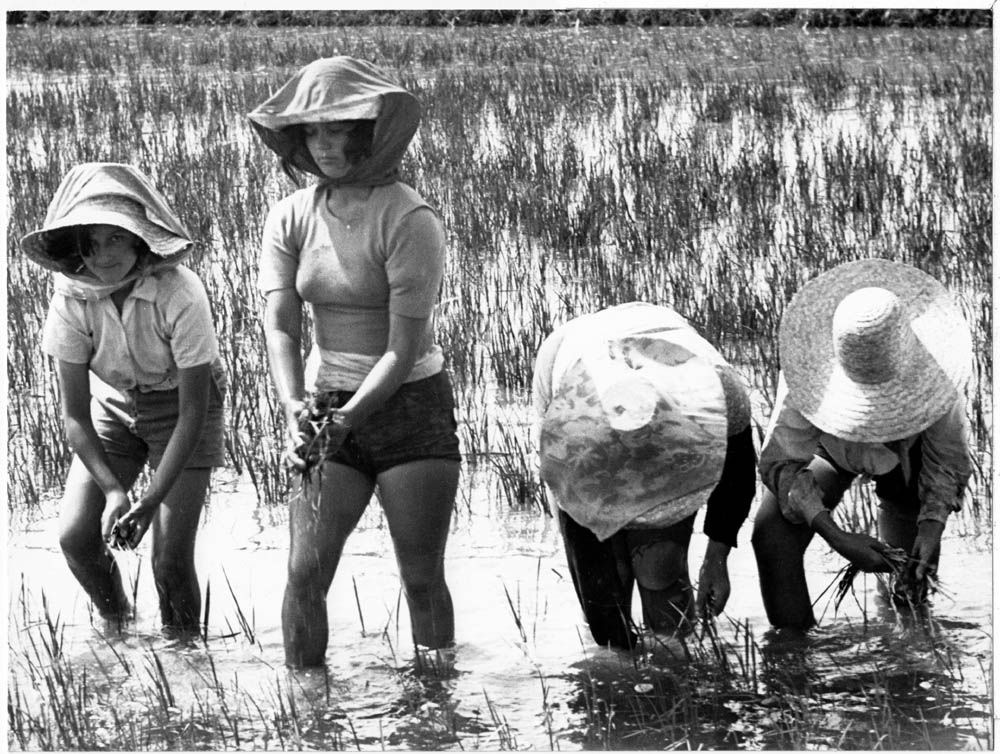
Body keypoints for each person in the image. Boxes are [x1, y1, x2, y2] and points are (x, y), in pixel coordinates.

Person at [248, 56, 461, 668]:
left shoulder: (409, 217)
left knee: (420, 576)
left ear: (368, 132)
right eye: (312, 132)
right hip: (322, 407)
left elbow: (403, 348)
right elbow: (282, 324)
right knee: (304, 572)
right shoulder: (290, 215)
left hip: (408, 407)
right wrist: (294, 405)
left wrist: (353, 416)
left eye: (338, 129)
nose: (324, 145)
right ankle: (306, 705)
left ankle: (437, 707)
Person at [21, 162, 227, 631]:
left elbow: (193, 412)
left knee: (169, 561)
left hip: (182, 406)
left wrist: (149, 500)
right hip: (115, 405)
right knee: (76, 537)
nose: (104, 257)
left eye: (115, 238)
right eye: (90, 246)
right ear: (76, 251)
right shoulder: (70, 298)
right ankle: (118, 626)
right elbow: (75, 415)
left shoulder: (180, 292)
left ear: (139, 238)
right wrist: (116, 491)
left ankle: (185, 653)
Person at [751, 258, 973, 630]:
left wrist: (931, 526)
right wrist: (835, 536)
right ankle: (793, 662)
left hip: (908, 455)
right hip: (832, 448)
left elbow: (947, 462)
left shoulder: (938, 376)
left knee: (911, 570)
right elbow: (781, 465)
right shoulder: (808, 375)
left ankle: (908, 656)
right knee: (771, 534)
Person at [533, 302, 757, 649]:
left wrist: (717, 555)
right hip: (577, 368)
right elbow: (577, 521)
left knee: (660, 571)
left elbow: (739, 472)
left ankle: (674, 665)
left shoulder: (718, 389)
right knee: (605, 591)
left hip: (659, 384)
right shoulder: (572, 425)